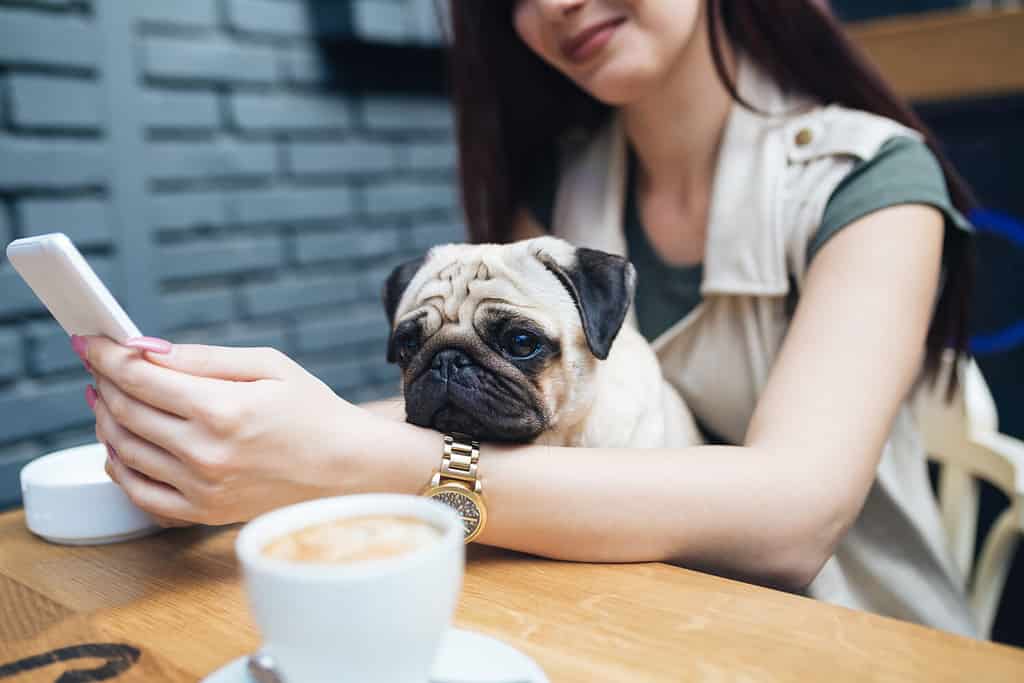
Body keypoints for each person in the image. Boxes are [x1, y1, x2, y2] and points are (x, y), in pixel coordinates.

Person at [77, 0, 978, 636]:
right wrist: (235, 434)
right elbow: (480, 404)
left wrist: (348, 458)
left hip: (854, 639)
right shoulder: (560, 189)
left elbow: (796, 516)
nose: (555, 2)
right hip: (622, 623)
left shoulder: (873, 183)